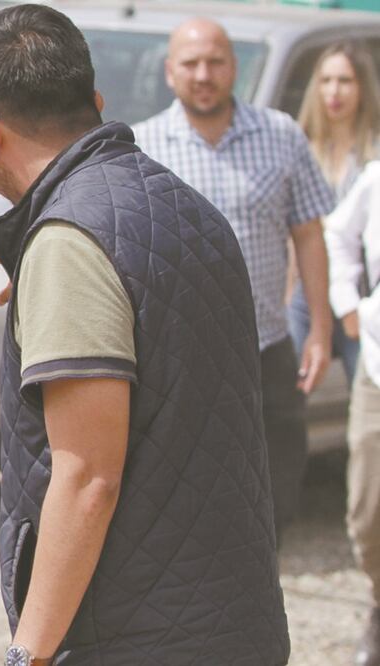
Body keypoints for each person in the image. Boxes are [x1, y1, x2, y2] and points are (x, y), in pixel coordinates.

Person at [0, 5, 287, 663]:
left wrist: (27, 653)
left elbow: (88, 477)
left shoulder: (72, 241)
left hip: (134, 637)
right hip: (234, 619)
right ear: (96, 103)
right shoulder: (186, 209)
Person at [132, 18, 337, 538]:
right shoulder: (142, 146)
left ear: (234, 68)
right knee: (183, 487)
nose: (204, 74)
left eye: (215, 62)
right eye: (191, 63)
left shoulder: (281, 135)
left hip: (265, 346)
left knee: (276, 482)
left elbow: (309, 235)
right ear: (170, 72)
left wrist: (318, 331)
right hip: (178, 351)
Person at [289, 41, 380, 386]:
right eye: (326, 80)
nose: (334, 91)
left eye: (345, 80)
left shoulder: (374, 153)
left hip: (361, 291)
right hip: (307, 288)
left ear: (362, 87)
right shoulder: (301, 145)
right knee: (291, 383)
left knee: (368, 385)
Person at [324, 159, 380, 665]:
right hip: (379, 369)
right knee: (368, 511)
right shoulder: (376, 177)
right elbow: (336, 233)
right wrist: (348, 302)